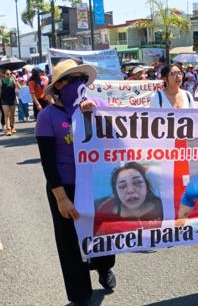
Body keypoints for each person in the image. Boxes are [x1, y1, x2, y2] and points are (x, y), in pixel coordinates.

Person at [35, 59, 116, 305]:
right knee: (69, 241)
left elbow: (119, 141)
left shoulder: (98, 105)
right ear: (59, 85)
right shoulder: (47, 117)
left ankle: (103, 267)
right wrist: (61, 198)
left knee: (102, 233)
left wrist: (98, 116)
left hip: (97, 184)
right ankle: (80, 294)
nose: (79, 84)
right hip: (66, 187)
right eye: (73, 79)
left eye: (82, 79)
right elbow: (48, 162)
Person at [94, 162, 163, 236]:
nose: (130, 190)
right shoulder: (103, 212)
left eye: (137, 182)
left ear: (147, 185)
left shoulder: (164, 207)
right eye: (122, 186)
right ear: (116, 192)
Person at [1, 68, 22, 136]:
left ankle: (12, 127)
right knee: (6, 114)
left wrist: (15, 80)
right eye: (7, 74)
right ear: (4, 74)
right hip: (4, 100)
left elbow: (20, 88)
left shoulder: (13, 80)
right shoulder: (1, 81)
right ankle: (8, 129)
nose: (9, 75)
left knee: (12, 114)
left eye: (10, 74)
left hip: (12, 99)